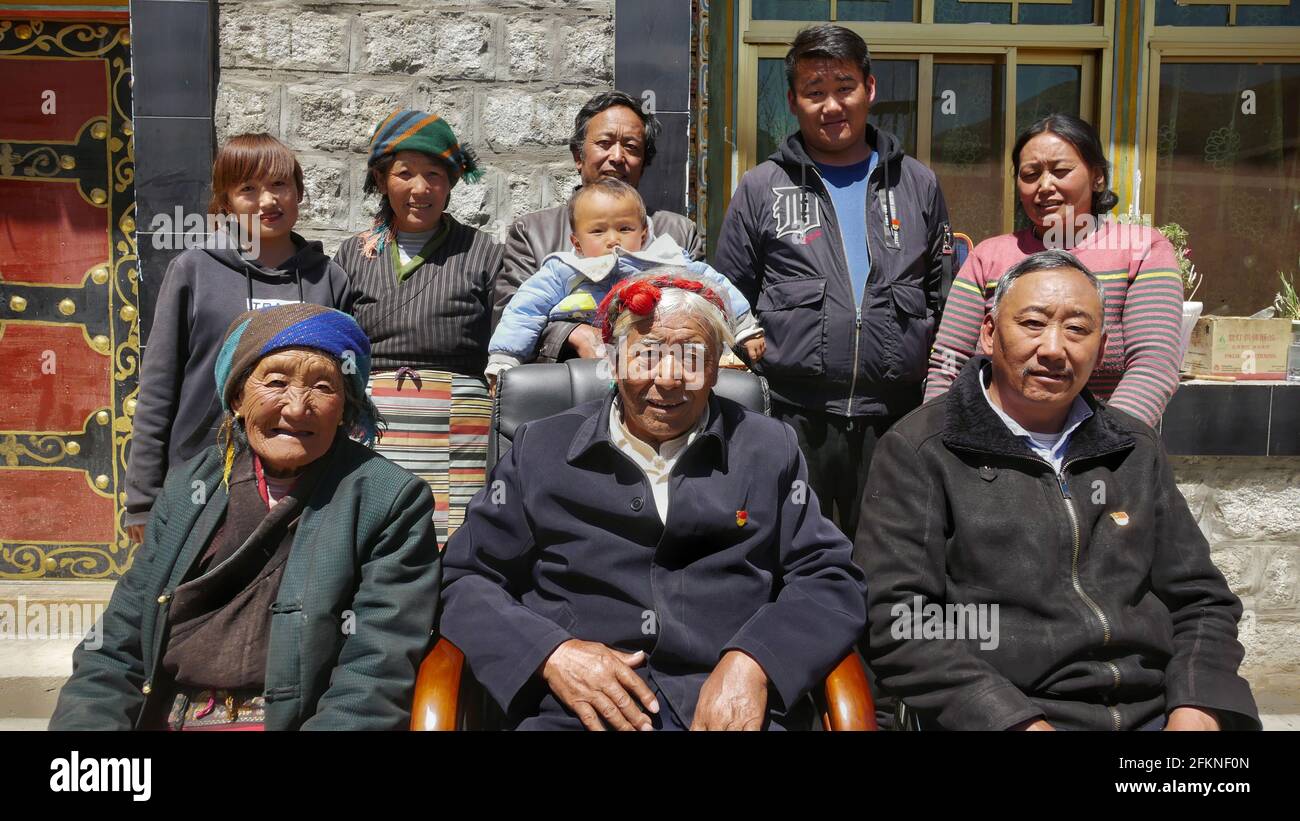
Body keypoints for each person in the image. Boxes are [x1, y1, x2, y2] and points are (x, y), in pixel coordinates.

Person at [440, 270, 867, 731]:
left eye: (692, 357)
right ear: (613, 360)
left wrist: (756, 661)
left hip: (730, 711)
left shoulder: (767, 449)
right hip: (577, 714)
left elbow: (831, 577)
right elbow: (465, 577)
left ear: (717, 365)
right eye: (647, 354)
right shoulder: (541, 449)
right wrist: (551, 653)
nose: (667, 379)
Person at [857, 250, 1260, 731]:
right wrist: (1011, 720)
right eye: (1032, 323)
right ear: (988, 332)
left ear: (1102, 344)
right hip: (1011, 715)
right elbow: (902, 623)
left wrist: (1197, 707)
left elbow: (1201, 600)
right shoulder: (922, 449)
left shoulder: (1132, 445)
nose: (1053, 348)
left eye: (1077, 329)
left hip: (1155, 710)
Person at [50, 304, 441, 730]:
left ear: (345, 407)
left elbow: (375, 669)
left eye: (323, 387)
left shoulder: (389, 499)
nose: (296, 408)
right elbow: (118, 643)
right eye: (275, 383)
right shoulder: (189, 488)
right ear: (238, 397)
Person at [714, 24, 951, 542]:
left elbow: (943, 295)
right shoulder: (761, 187)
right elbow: (726, 296)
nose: (831, 105)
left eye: (843, 87)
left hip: (896, 415)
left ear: (870, 88)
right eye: (814, 92)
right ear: (794, 101)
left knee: (893, 553)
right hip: (792, 414)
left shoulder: (917, 183)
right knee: (793, 549)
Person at [125, 133, 356, 543]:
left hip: (299, 480)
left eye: (279, 185)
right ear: (226, 201)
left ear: (299, 192)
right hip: (202, 474)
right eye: (248, 189)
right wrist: (143, 499)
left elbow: (343, 387)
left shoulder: (328, 279)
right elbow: (159, 388)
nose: (268, 201)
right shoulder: (194, 271)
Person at [925, 114, 1183, 427]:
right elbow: (949, 362)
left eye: (1061, 171)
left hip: (1104, 455)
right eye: (1030, 174)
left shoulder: (1142, 251)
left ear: (1097, 176)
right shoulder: (988, 257)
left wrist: (1105, 443)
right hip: (994, 451)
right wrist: (938, 438)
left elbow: (1153, 366)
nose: (1045, 186)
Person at [334, 109, 503, 547]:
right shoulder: (353, 254)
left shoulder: (482, 252)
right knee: (373, 537)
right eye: (404, 173)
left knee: (454, 544)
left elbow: (507, 341)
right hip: (373, 423)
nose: (420, 188)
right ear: (380, 178)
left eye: (434, 174)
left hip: (458, 426)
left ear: (452, 182)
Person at [493, 90, 705, 363]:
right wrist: (572, 333)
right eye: (605, 143)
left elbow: (702, 307)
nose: (617, 156)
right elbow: (510, 317)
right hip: (567, 384)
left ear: (644, 162)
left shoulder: (678, 234)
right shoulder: (533, 233)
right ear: (578, 156)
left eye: (631, 147)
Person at [486, 178, 764, 382]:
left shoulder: (665, 260)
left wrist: (745, 327)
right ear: (577, 242)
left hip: (654, 361)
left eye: (624, 228)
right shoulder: (565, 269)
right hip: (582, 367)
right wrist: (504, 359)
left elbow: (714, 286)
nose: (612, 239)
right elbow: (525, 309)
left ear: (643, 234)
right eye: (597, 231)